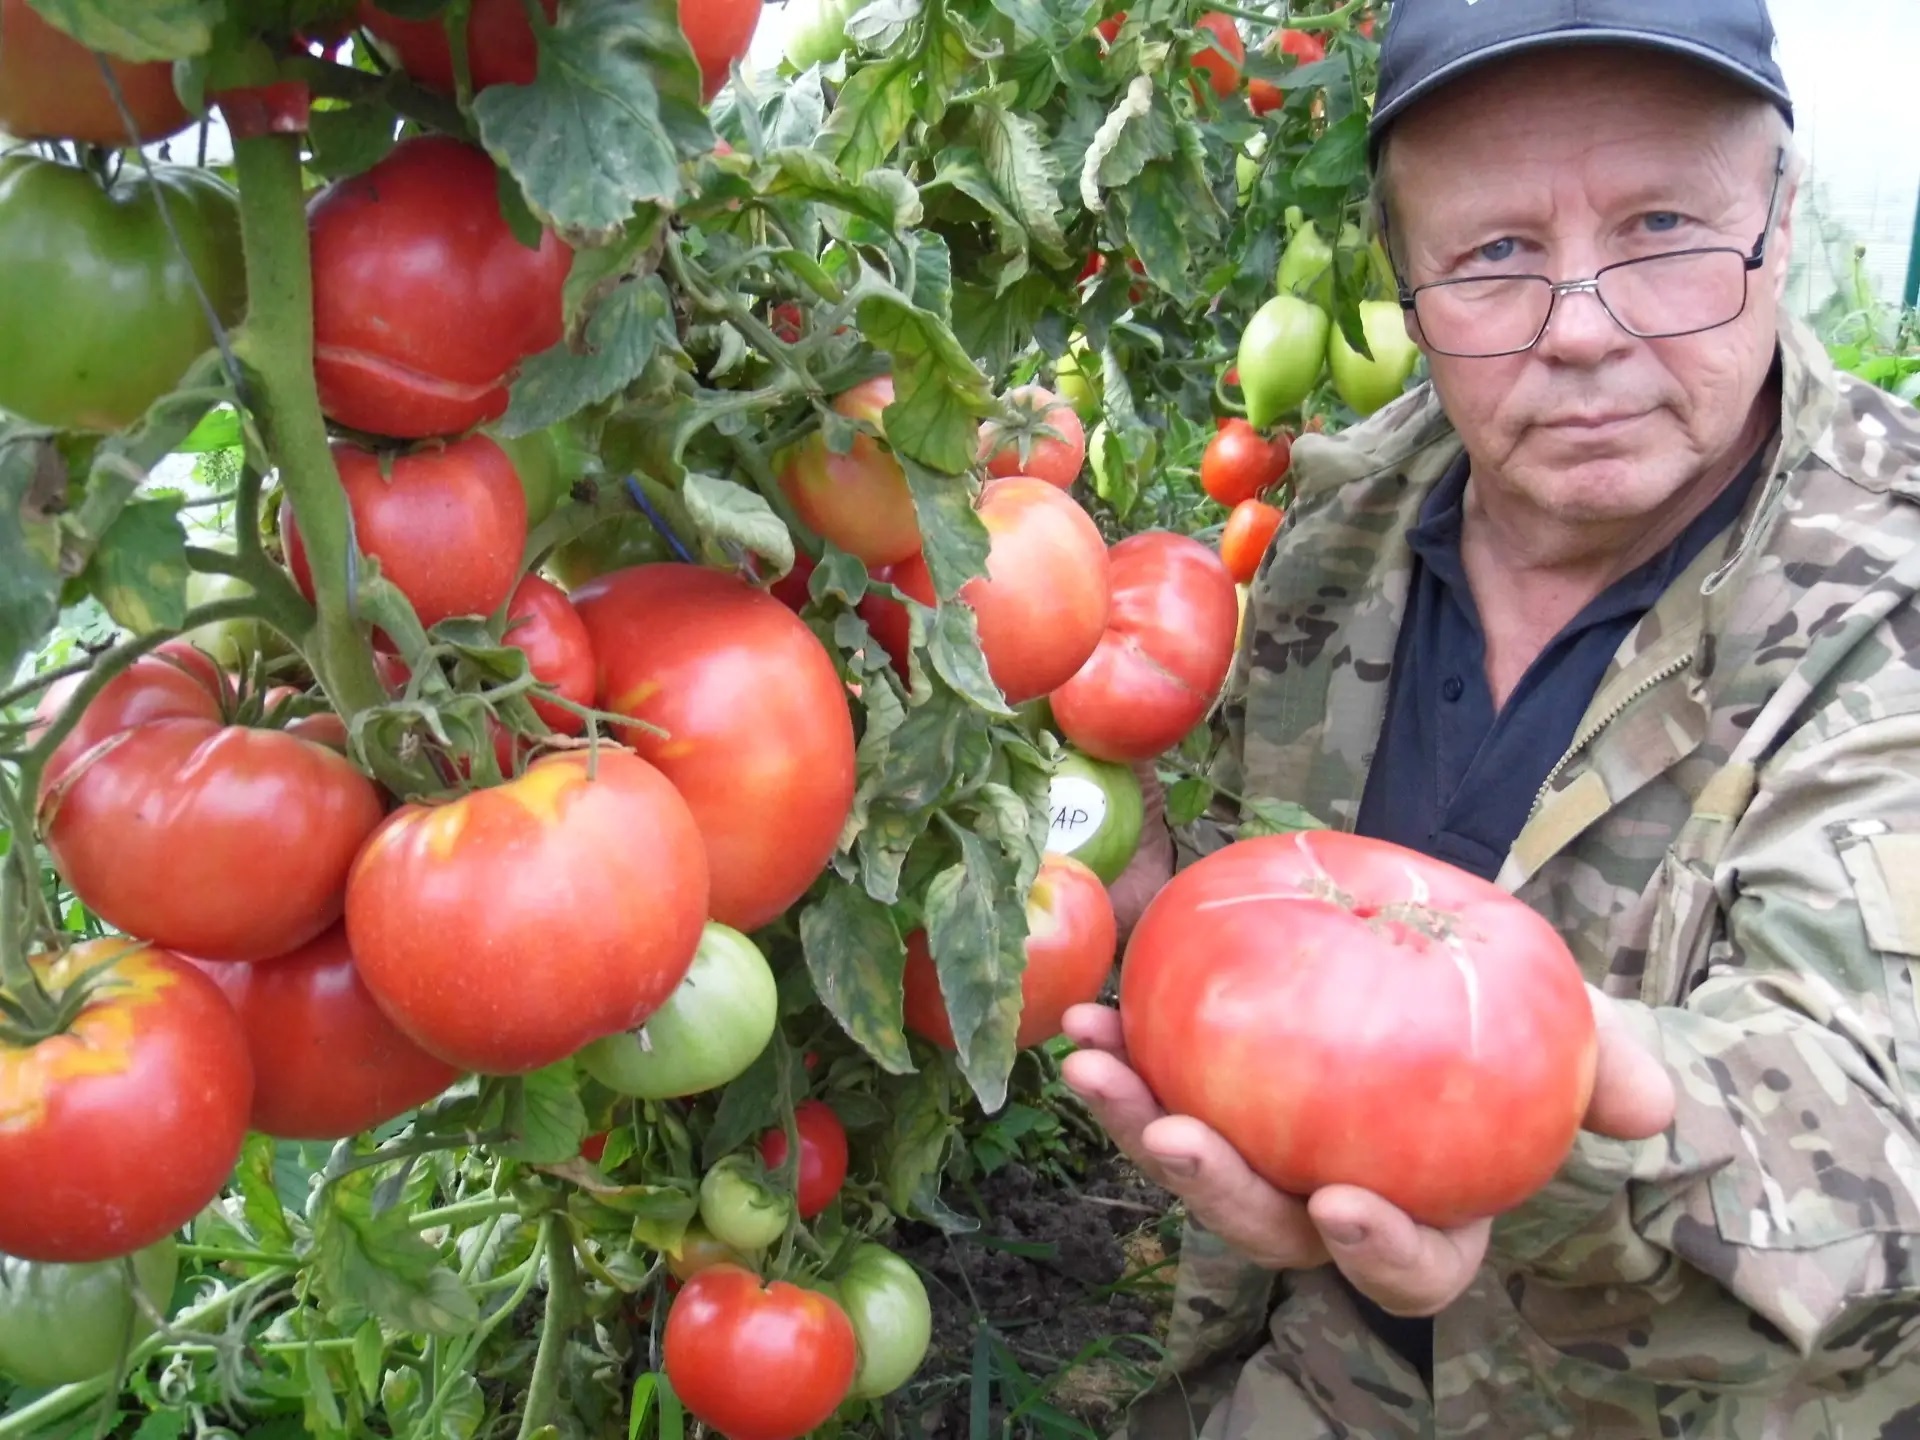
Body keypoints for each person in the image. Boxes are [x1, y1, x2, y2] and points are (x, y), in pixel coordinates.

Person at [1060, 1, 1920, 1435]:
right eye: (1496, 254)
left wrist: (1524, 1121)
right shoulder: (1340, 527)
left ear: (1778, 214)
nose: (1581, 329)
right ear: (1404, 276)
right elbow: (1264, 909)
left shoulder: (1887, 594)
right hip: (1316, 1375)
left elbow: (1873, 1116)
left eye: (1661, 228)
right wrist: (1148, 900)